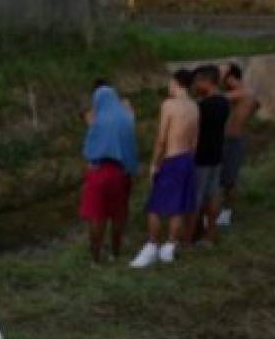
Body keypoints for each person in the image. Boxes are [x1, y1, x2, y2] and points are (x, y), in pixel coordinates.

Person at [130, 70, 199, 268]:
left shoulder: (169, 105)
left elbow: (161, 139)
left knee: (155, 206)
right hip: (187, 159)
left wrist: (154, 164)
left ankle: (152, 246)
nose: (168, 86)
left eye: (170, 82)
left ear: (176, 83)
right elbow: (195, 141)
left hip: (172, 158)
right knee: (177, 207)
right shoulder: (195, 107)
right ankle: (169, 246)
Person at [79, 82, 138, 264]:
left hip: (98, 171)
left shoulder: (96, 119)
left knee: (97, 216)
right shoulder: (126, 118)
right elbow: (130, 147)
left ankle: (95, 259)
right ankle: (115, 253)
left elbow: (88, 150)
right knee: (118, 214)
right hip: (121, 172)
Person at [189, 64, 229, 245]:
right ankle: (211, 234)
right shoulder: (223, 102)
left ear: (206, 81)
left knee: (196, 198)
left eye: (197, 81)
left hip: (201, 157)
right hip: (217, 155)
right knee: (213, 195)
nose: (195, 85)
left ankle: (188, 238)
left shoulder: (202, 106)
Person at [218, 63, 260, 227]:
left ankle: (226, 213)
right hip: (231, 139)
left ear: (230, 78)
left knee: (229, 180)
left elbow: (216, 97)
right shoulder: (243, 94)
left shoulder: (242, 92)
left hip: (232, 140)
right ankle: (223, 210)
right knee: (224, 179)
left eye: (221, 75)